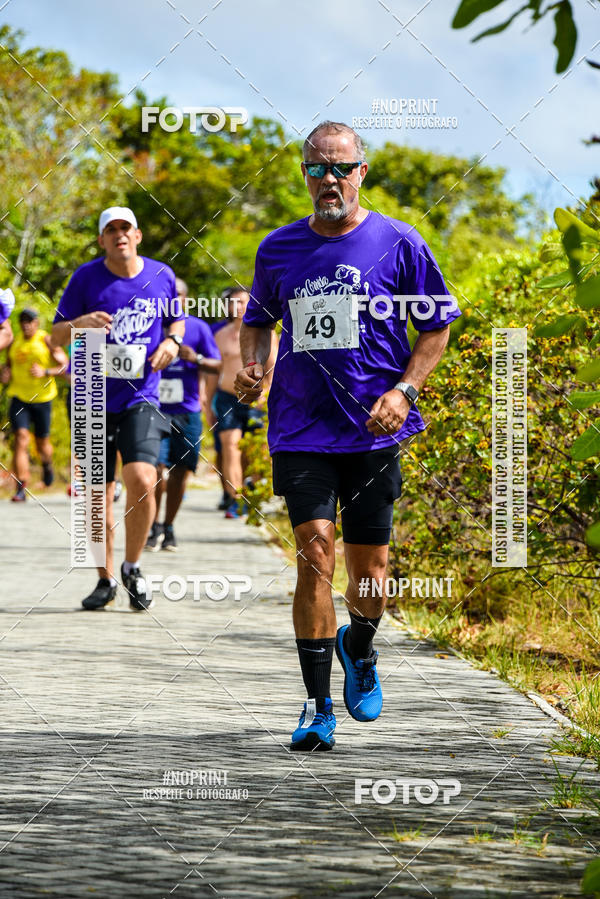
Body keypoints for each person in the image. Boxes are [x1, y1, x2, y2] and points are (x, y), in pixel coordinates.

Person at [234, 121, 461, 751]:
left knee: (371, 575)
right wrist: (252, 366)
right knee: (314, 558)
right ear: (302, 175)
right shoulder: (278, 249)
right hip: (301, 429)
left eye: (340, 168)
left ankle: (359, 644)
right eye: (316, 169)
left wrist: (405, 390)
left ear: (362, 170)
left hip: (372, 431)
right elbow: (258, 322)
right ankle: (316, 705)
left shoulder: (399, 242)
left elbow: (436, 325)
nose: (328, 180)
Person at [52, 206, 184, 611]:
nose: (119, 235)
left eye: (125, 228)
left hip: (140, 395)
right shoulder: (85, 278)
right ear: (102, 240)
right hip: (91, 394)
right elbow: (54, 335)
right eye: (110, 230)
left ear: (137, 235)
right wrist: (81, 324)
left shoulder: (161, 275)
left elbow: (175, 322)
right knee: (96, 494)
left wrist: (172, 343)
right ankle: (105, 579)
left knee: (142, 478)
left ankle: (133, 566)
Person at [146, 278, 221, 551]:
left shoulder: (198, 328)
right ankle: (152, 525)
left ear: (186, 299)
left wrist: (196, 359)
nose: (171, 298)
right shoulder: (150, 323)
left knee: (180, 472)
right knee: (153, 469)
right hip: (153, 409)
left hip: (186, 412)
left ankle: (168, 525)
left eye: (176, 295)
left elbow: (218, 366)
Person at [206, 287, 277, 519]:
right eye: (233, 303)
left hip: (257, 398)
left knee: (256, 451)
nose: (238, 307)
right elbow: (213, 373)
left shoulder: (266, 333)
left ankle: (252, 495)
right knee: (230, 447)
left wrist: (267, 398)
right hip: (227, 397)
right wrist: (207, 403)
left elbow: (272, 367)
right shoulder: (220, 335)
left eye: (243, 302)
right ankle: (235, 499)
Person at [1, 307, 68, 501]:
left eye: (30, 321)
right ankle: (21, 487)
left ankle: (47, 465)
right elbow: (8, 368)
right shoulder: (14, 343)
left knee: (42, 444)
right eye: (23, 321)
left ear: (37, 323)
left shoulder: (46, 340)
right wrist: (4, 374)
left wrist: (45, 372)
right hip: (19, 397)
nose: (26, 324)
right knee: (21, 439)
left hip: (43, 399)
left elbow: (65, 366)